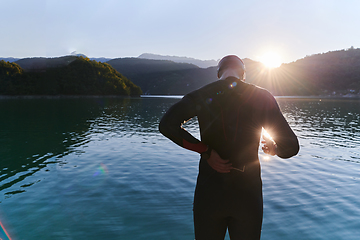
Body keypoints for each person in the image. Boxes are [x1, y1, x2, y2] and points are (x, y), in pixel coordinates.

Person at [159, 55, 299, 240]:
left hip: (210, 192)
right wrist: (274, 149)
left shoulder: (202, 94)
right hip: (247, 195)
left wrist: (206, 151)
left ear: (219, 74)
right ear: (243, 75)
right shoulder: (262, 96)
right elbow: (291, 146)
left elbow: (166, 125)